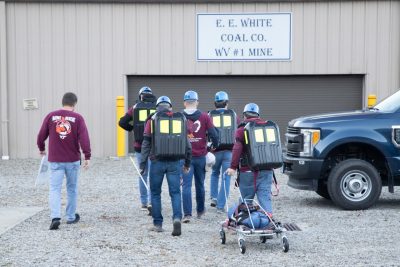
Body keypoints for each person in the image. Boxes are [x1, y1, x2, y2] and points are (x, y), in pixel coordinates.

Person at [37, 92, 91, 230]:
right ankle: (71, 217)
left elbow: (41, 135)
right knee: (72, 188)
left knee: (54, 189)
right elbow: (84, 139)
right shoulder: (78, 118)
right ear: (74, 104)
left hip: (55, 160)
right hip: (72, 160)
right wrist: (87, 156)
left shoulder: (50, 116)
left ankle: (55, 217)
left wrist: (42, 148)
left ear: (63, 102)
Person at [140, 96, 192, 236]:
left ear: (157, 107)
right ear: (170, 107)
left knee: (155, 193)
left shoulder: (152, 119)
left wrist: (142, 163)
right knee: (175, 192)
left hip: (156, 161)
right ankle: (176, 219)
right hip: (175, 162)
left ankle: (158, 224)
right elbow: (187, 145)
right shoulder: (180, 119)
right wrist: (187, 163)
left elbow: (146, 142)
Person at [226, 103, 273, 215]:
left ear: (244, 116)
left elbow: (237, 149)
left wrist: (232, 167)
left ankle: (244, 222)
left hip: (247, 171)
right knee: (265, 198)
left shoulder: (242, 129)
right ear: (258, 115)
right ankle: (268, 221)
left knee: (246, 200)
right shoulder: (266, 128)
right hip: (267, 169)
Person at [181, 90, 219, 223]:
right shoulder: (204, 116)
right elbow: (214, 134)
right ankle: (200, 211)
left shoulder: (180, 116)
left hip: (185, 157)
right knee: (200, 184)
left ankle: (187, 214)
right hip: (200, 156)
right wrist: (212, 147)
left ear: (185, 103)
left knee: (186, 185)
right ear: (196, 102)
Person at [119, 86, 156, 212]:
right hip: (154, 147)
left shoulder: (134, 108)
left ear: (140, 96)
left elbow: (122, 122)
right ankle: (152, 201)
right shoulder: (156, 107)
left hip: (140, 146)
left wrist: (133, 129)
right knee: (153, 175)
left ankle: (144, 202)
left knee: (142, 174)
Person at [209, 91, 240, 212]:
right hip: (229, 152)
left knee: (214, 173)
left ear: (215, 103)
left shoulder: (210, 115)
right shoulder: (233, 115)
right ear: (226, 102)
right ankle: (221, 206)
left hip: (215, 151)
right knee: (226, 177)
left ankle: (214, 197)